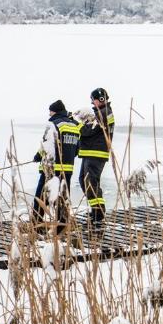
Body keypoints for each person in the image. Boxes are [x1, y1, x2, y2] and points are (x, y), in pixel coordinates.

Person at [32, 100, 82, 233]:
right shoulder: (74, 125)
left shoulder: (53, 124)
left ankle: (36, 224)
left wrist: (37, 156)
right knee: (63, 198)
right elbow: (78, 148)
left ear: (54, 111)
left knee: (41, 196)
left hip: (51, 168)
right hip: (68, 169)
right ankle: (62, 226)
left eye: (50, 111)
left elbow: (46, 146)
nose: (49, 114)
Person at [77, 88, 114, 229]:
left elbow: (88, 131)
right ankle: (96, 210)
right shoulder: (103, 112)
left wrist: (78, 123)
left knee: (90, 182)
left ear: (101, 99)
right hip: (90, 152)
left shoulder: (104, 113)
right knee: (84, 180)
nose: (92, 102)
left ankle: (98, 213)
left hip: (96, 153)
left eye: (93, 99)